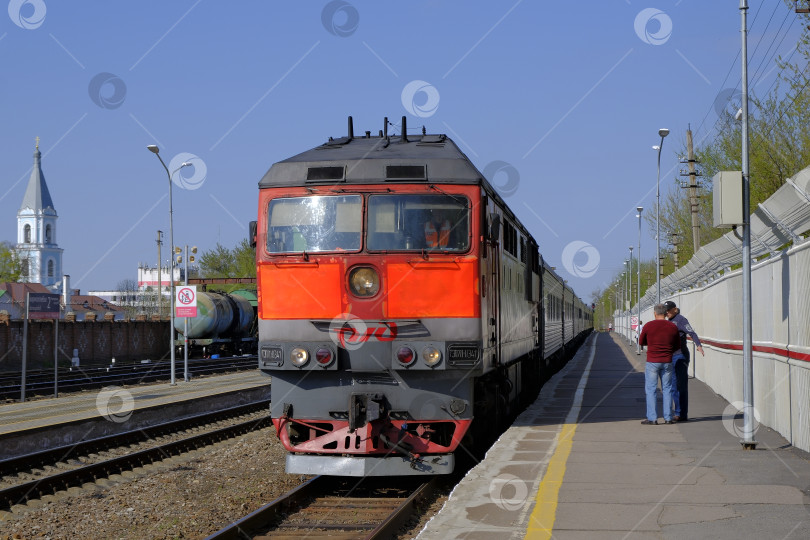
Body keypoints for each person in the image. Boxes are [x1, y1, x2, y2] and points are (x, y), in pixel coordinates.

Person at [638, 304, 680, 425]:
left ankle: (652, 418)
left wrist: (651, 343)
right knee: (667, 389)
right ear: (666, 313)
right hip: (667, 361)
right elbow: (677, 345)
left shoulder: (648, 325)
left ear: (655, 313)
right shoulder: (672, 327)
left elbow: (641, 341)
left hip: (652, 361)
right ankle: (668, 418)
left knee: (651, 389)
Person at [663, 300, 704, 422]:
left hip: (681, 356)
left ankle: (681, 413)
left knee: (681, 385)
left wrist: (698, 345)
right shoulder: (668, 321)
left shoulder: (681, 320)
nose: (667, 313)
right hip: (671, 356)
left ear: (675, 309)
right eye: (666, 311)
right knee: (674, 385)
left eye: (669, 311)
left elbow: (691, 332)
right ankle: (678, 412)